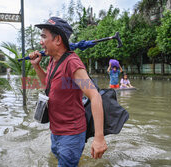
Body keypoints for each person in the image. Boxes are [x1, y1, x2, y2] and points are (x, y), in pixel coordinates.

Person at [29, 17, 107, 166]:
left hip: (71, 134)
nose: (40, 42)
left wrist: (99, 138)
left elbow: (94, 96)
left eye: (44, 37)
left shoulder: (72, 63)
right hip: (56, 131)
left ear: (58, 40)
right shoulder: (53, 60)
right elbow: (49, 84)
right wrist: (36, 66)